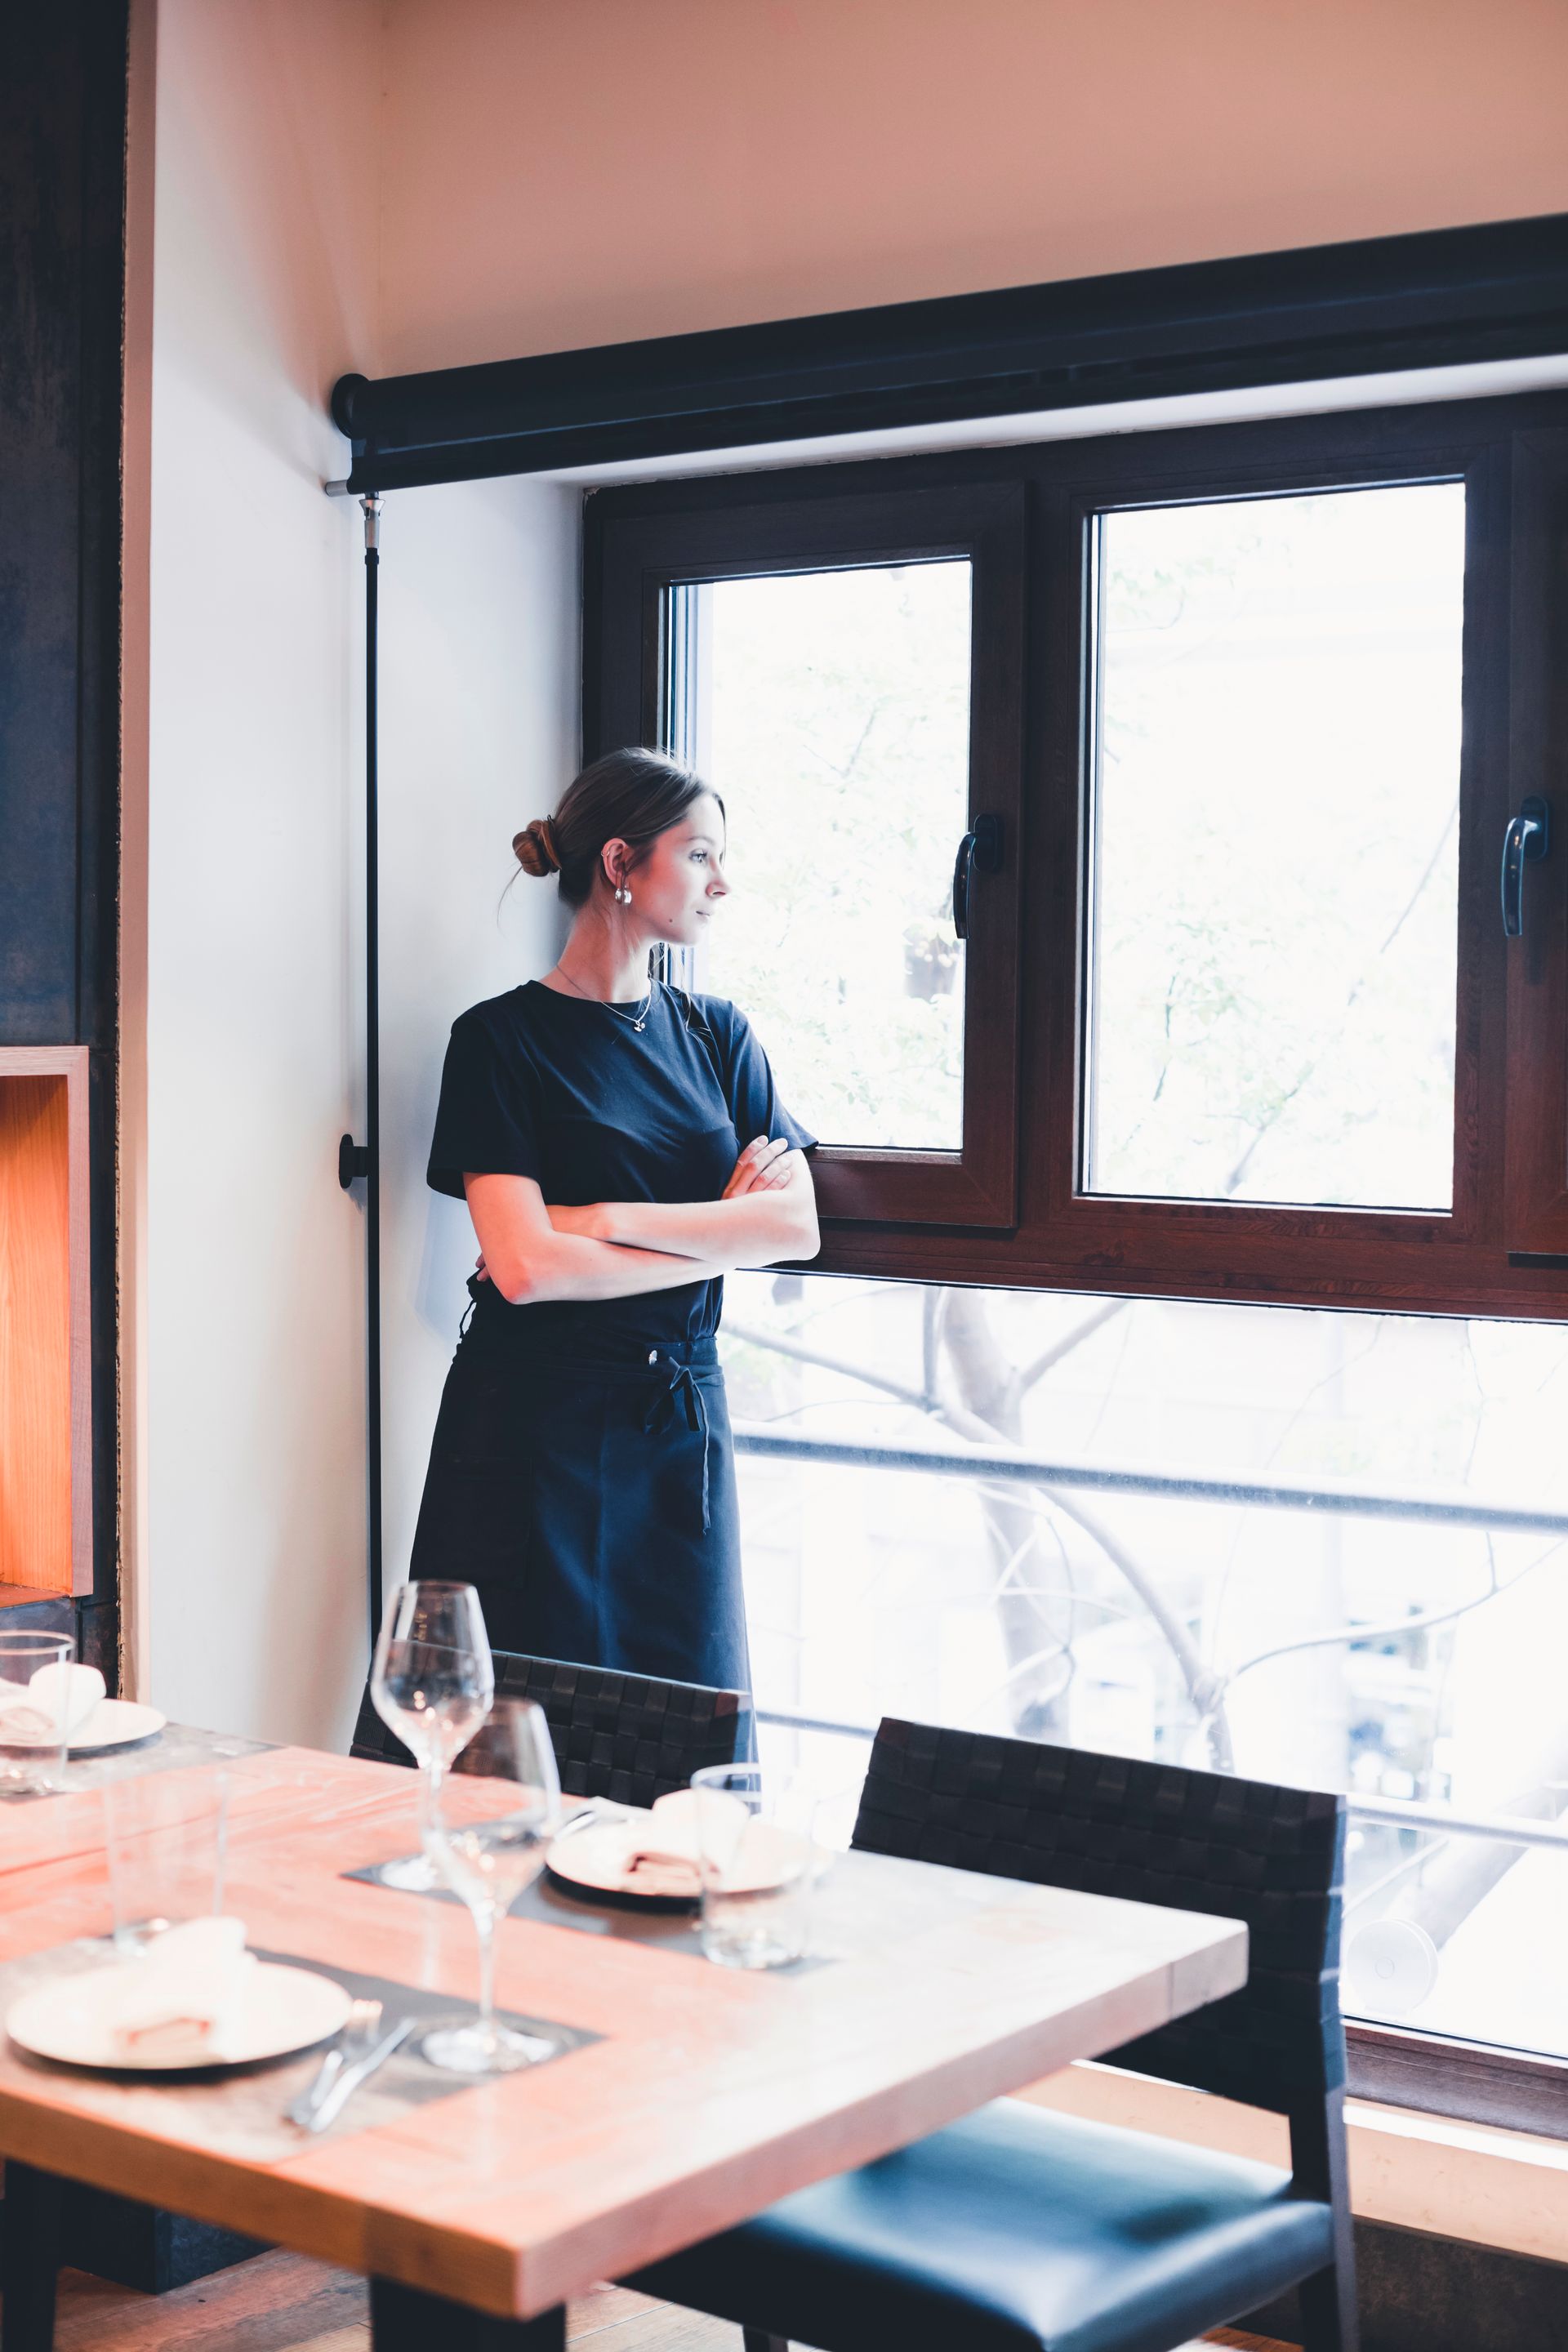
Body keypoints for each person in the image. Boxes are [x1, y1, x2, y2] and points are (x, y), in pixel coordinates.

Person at [410, 746, 819, 1693]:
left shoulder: (719, 1034)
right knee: (520, 1725)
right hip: (532, 1426)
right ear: (621, 864)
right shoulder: (498, 1040)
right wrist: (712, 1233)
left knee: (686, 1715)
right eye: (701, 855)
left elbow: (794, 1229)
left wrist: (593, 1218)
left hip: (678, 1425)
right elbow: (523, 1272)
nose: (724, 882)